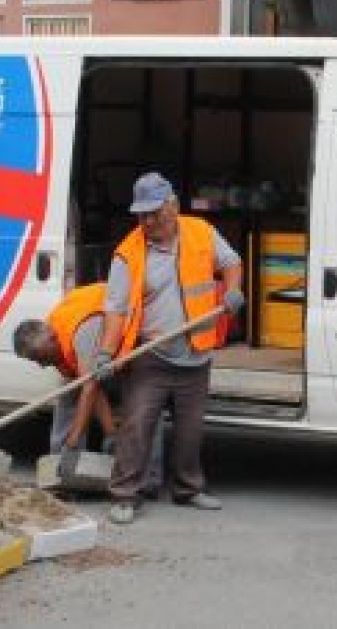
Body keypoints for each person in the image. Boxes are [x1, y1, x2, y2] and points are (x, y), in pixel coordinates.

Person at [93, 172, 244, 525]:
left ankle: (189, 489)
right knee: (137, 426)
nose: (147, 222)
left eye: (154, 213)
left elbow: (231, 262)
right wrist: (105, 353)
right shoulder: (127, 255)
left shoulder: (200, 232)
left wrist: (233, 289)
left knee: (191, 429)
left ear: (172, 206)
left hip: (196, 351)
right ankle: (125, 495)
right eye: (141, 215)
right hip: (151, 355)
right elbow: (115, 309)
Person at [12, 283, 120, 455]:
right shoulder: (52, 331)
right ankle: (60, 463)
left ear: (52, 339)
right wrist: (110, 432)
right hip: (96, 351)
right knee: (68, 395)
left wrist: (74, 440)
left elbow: (91, 387)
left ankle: (72, 452)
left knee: (142, 402)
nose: (42, 365)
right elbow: (93, 385)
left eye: (42, 358)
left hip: (132, 331)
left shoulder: (81, 331)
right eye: (36, 361)